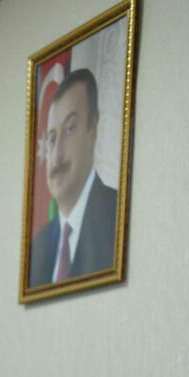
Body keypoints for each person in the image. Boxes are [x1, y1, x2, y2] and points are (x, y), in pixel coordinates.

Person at [27, 68, 120, 287]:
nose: (57, 156)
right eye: (52, 139)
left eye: (70, 129)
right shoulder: (37, 247)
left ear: (93, 129)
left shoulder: (117, 216)